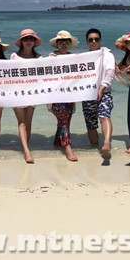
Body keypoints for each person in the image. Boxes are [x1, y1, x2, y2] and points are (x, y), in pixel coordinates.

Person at [10, 29, 43, 163]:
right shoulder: (14, 56)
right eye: (26, 39)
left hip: (32, 93)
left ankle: (26, 146)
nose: (28, 41)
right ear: (21, 42)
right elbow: (7, 74)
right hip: (17, 93)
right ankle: (26, 150)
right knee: (22, 122)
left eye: (31, 39)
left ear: (34, 42)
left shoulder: (40, 58)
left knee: (28, 122)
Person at [81, 28, 116, 152]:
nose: (94, 42)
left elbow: (110, 72)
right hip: (88, 94)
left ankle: (106, 142)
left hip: (105, 92)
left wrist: (103, 86)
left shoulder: (107, 55)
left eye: (96, 39)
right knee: (91, 124)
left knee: (104, 116)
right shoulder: (83, 57)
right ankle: (95, 150)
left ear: (100, 40)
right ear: (87, 42)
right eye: (91, 40)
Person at [48, 30, 79, 161]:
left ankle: (57, 142)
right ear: (57, 44)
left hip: (70, 95)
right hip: (57, 96)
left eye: (66, 42)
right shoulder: (51, 58)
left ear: (70, 44)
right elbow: (46, 79)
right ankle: (68, 147)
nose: (64, 45)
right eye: (61, 42)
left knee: (65, 121)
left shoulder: (74, 58)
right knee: (64, 120)